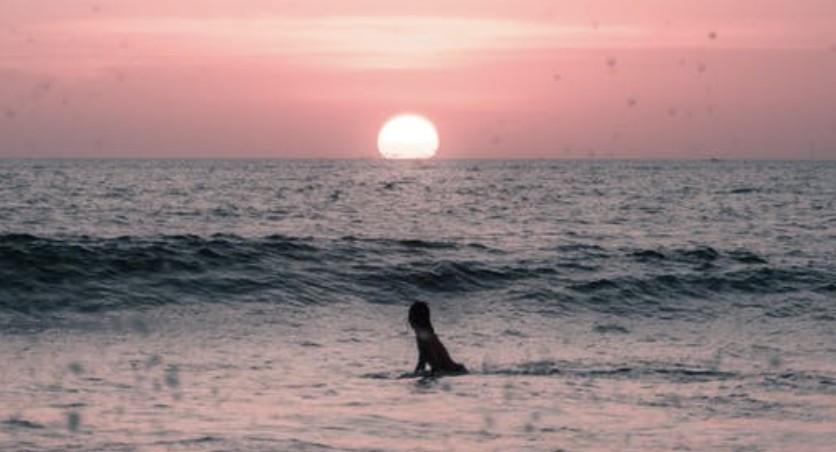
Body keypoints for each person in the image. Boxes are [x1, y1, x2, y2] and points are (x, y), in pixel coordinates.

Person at [408, 301, 467, 376]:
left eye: (410, 316)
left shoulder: (425, 337)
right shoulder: (423, 336)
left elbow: (436, 365)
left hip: (455, 372)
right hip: (456, 371)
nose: (409, 320)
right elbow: (422, 362)